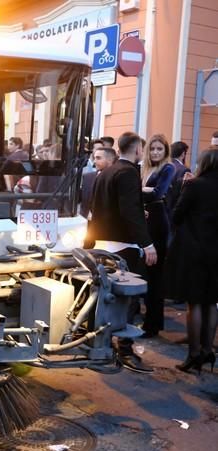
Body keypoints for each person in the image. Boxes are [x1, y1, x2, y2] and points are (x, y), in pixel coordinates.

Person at [87, 131, 157, 373]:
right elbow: (128, 211)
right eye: (143, 149)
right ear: (137, 148)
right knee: (128, 299)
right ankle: (124, 349)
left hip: (102, 242)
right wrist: (147, 243)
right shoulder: (128, 172)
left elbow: (99, 207)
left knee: (106, 298)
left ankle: (102, 344)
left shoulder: (106, 171)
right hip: (123, 245)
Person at [166, 149, 218, 373]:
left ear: (204, 163)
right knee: (212, 302)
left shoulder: (195, 185)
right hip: (217, 251)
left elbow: (176, 215)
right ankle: (208, 350)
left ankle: (194, 354)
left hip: (195, 249)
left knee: (194, 302)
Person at [139, 134, 174, 338]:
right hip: (146, 217)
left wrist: (140, 189)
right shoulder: (145, 168)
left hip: (158, 221)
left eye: (160, 149)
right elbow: (148, 193)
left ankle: (153, 325)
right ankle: (147, 320)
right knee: (145, 272)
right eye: (153, 149)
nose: (155, 152)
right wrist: (145, 190)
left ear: (166, 151)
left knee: (155, 275)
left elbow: (158, 193)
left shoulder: (168, 168)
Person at [80, 146, 116, 219]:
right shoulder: (87, 177)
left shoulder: (117, 179)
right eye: (94, 158)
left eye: (98, 158)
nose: (94, 161)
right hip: (85, 224)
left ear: (110, 160)